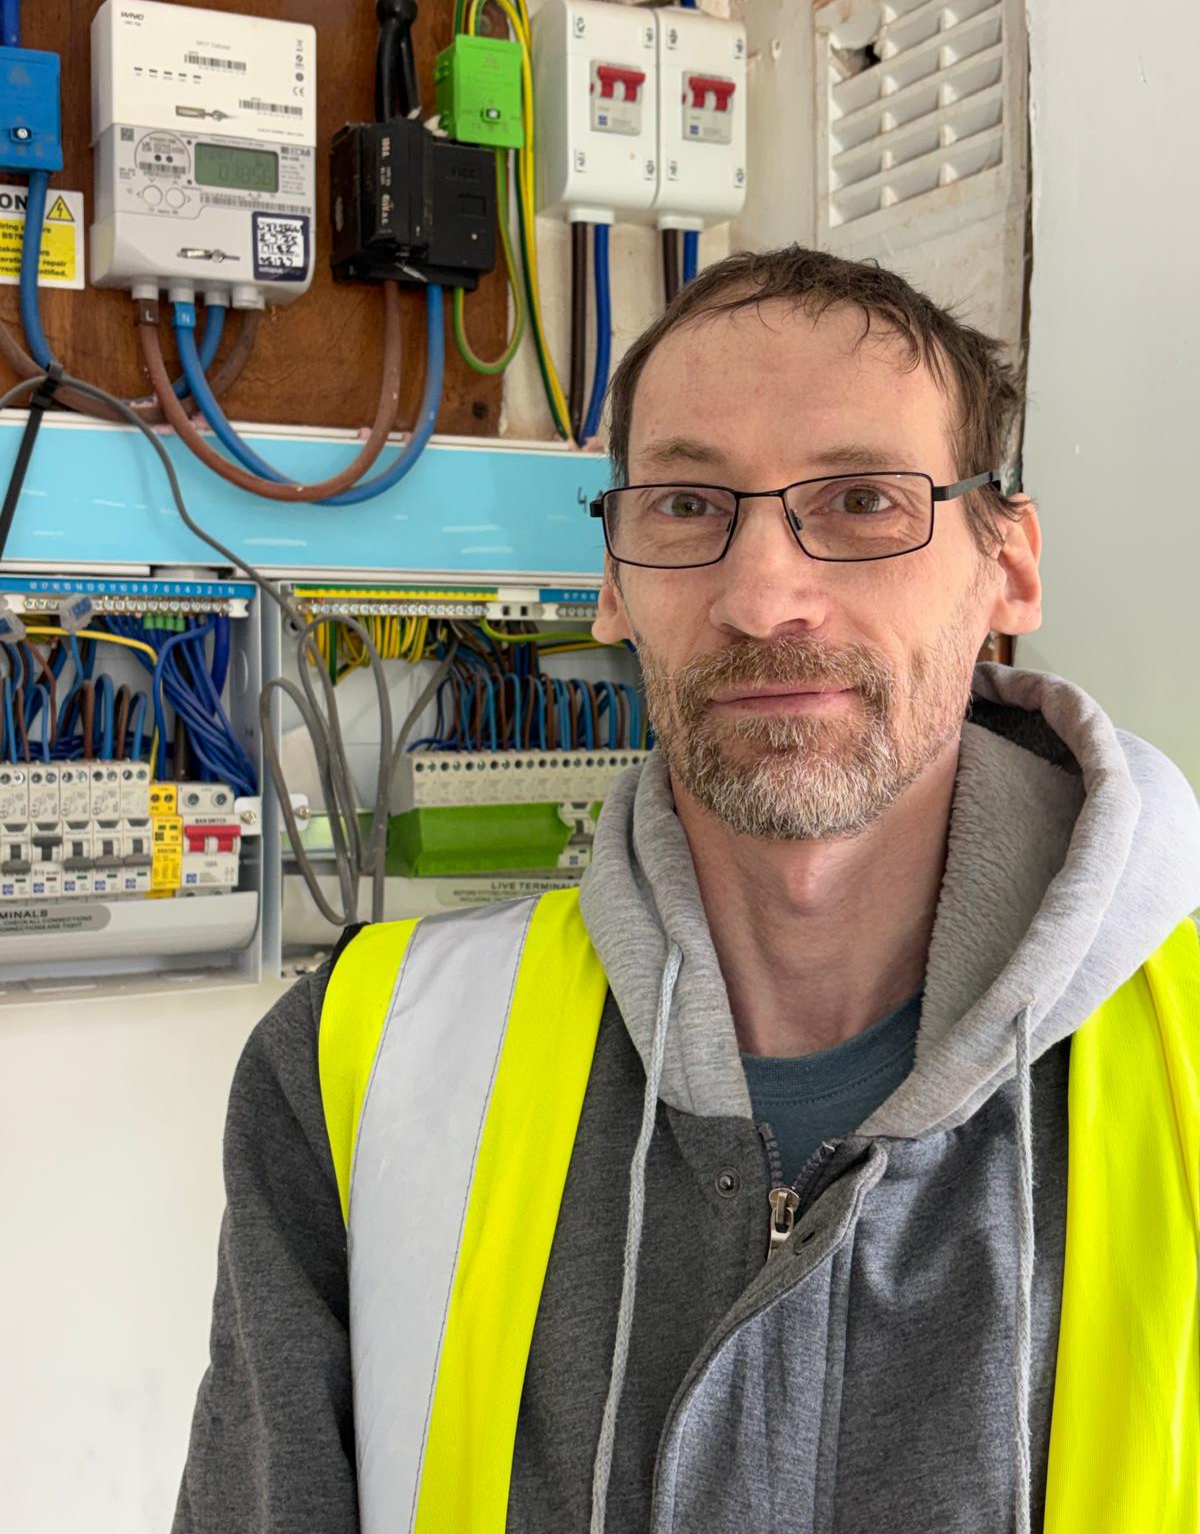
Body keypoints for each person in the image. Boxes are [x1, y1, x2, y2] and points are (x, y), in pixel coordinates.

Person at [174, 247, 1200, 1534]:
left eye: (865, 500)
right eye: (685, 505)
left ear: (1011, 566)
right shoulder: (355, 1067)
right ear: (612, 582)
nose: (764, 598)